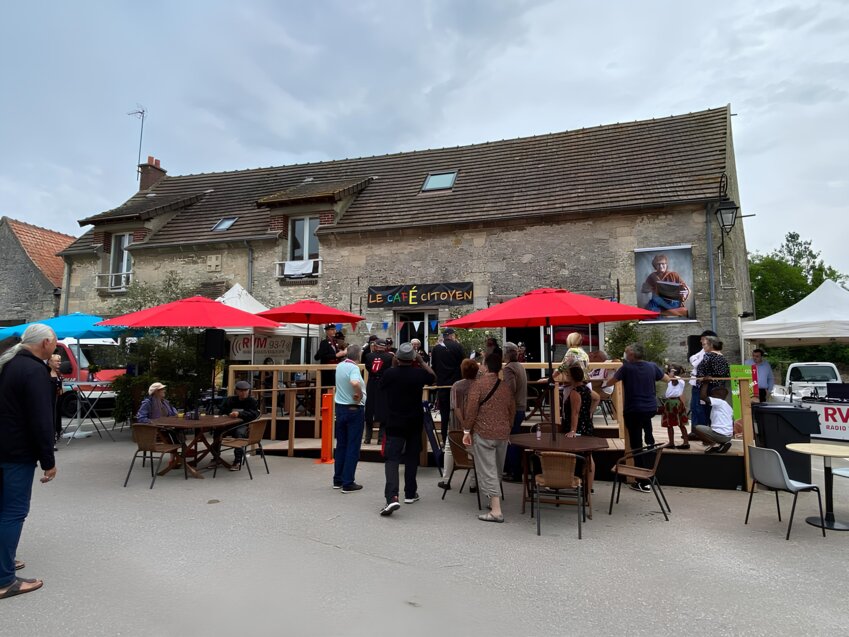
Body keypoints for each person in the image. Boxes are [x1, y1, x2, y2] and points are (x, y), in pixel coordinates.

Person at [0, 323, 58, 600]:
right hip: (16, 452)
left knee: (3, 509)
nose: (55, 347)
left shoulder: (7, 364)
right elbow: (41, 420)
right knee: (13, 511)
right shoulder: (33, 370)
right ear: (45, 342)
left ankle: (3, 562)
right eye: (55, 342)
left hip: (3, 447)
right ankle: (4, 580)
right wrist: (48, 460)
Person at [378, 343, 436, 516]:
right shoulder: (418, 373)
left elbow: (381, 386)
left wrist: (394, 364)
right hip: (414, 421)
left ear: (397, 358)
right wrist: (422, 361)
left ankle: (392, 497)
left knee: (392, 459)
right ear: (413, 358)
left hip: (395, 422)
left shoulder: (390, 374)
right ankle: (410, 492)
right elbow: (433, 377)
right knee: (412, 456)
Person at [604, 342, 671, 492]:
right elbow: (666, 379)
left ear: (631, 354)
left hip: (633, 410)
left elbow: (609, 383)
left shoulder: (626, 368)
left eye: (626, 352)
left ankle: (643, 481)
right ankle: (650, 454)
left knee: (636, 445)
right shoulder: (652, 366)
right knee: (646, 434)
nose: (625, 354)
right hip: (650, 408)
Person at [463, 351, 515, 523]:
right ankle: (493, 502)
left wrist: (466, 431)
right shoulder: (506, 387)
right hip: (503, 433)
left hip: (483, 432)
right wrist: (508, 428)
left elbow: (471, 410)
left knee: (488, 470)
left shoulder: (478, 385)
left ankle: (496, 510)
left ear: (485, 366)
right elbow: (512, 410)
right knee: (497, 469)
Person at [438, 359, 479, 491]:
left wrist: (463, 422)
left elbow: (456, 407)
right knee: (473, 451)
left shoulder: (457, 385)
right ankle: (473, 484)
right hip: (474, 425)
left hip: (456, 425)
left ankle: (446, 480)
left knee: (450, 449)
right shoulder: (480, 385)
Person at [332, 344, 366, 493]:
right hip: (354, 409)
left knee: (341, 445)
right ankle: (348, 482)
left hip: (340, 408)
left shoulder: (340, 366)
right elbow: (354, 382)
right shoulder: (354, 368)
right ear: (359, 355)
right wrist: (359, 394)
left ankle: (338, 479)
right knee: (353, 446)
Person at [563, 366, 600, 493]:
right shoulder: (586, 389)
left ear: (572, 377)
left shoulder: (575, 392)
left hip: (579, 427)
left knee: (580, 456)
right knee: (589, 456)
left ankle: (575, 482)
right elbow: (597, 398)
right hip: (587, 424)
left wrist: (573, 430)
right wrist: (590, 412)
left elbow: (575, 412)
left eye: (568, 375)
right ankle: (589, 486)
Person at [430, 327, 465, 443]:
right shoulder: (457, 346)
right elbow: (463, 363)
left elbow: (434, 366)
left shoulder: (436, 348)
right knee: (458, 410)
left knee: (444, 413)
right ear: (451, 335)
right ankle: (458, 438)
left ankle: (444, 438)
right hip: (456, 383)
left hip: (442, 384)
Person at [217, 380, 260, 471]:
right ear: (236, 391)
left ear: (249, 391)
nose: (243, 393)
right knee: (217, 431)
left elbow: (254, 414)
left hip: (245, 425)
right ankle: (216, 457)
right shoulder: (230, 400)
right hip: (229, 425)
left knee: (239, 433)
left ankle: (237, 461)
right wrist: (228, 413)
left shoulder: (252, 401)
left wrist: (239, 414)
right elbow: (221, 410)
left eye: (245, 390)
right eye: (241, 390)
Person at [502, 342, 528, 483]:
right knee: (515, 439)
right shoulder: (520, 366)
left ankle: (514, 472)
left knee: (510, 440)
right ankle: (515, 470)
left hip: (513, 409)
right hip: (521, 407)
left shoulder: (509, 368)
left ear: (506, 353)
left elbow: (510, 389)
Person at [362, 338, 393, 444]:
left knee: (370, 408)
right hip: (383, 383)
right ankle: (380, 438)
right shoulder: (389, 357)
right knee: (383, 408)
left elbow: (367, 367)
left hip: (372, 382)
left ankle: (367, 437)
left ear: (375, 346)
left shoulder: (368, 356)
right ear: (385, 347)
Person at [691, 379, 734, 454]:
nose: (711, 396)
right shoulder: (728, 407)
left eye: (712, 395)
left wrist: (705, 383)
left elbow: (703, 397)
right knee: (709, 429)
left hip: (719, 435)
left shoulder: (719, 402)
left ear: (718, 396)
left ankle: (714, 444)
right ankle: (722, 444)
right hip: (728, 436)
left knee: (695, 428)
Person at [688, 330, 717, 436]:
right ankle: (695, 431)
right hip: (697, 383)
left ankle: (702, 431)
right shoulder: (702, 350)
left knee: (702, 408)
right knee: (695, 407)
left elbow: (697, 363)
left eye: (703, 339)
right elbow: (692, 358)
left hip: (705, 384)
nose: (700, 341)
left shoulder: (712, 353)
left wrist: (696, 360)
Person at [659, 367, 690, 450]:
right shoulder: (671, 380)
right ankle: (677, 442)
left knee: (673, 424)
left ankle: (680, 442)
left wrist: (672, 374)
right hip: (673, 402)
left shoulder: (678, 380)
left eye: (668, 372)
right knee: (677, 424)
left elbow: (674, 381)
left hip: (673, 403)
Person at [314, 323, 346, 390]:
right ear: (327, 331)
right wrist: (335, 355)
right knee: (328, 387)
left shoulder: (335, 342)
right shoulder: (324, 342)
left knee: (335, 386)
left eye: (334, 329)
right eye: (332, 329)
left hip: (335, 369)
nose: (334, 331)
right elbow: (322, 356)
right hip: (327, 371)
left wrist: (342, 354)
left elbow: (336, 354)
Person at [48, 353, 63, 444]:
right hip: (50, 400)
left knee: (57, 416)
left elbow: (59, 387)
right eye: (57, 361)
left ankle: (57, 433)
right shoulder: (46, 373)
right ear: (50, 362)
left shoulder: (58, 373)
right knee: (51, 417)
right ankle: (51, 438)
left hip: (58, 399)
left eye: (60, 361)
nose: (59, 363)